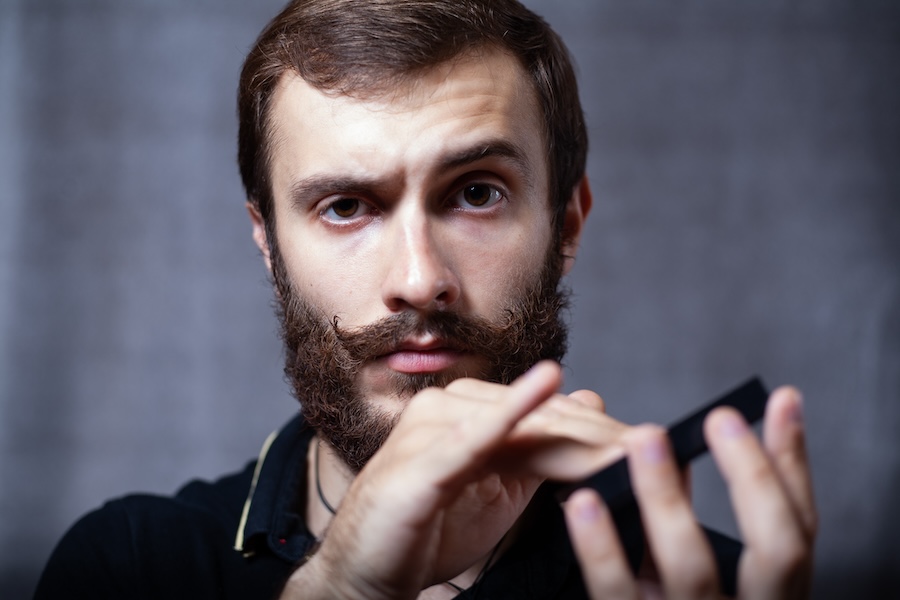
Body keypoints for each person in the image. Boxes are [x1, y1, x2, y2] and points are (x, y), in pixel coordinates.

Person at [35, 1, 817, 598]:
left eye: (476, 193)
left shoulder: (710, 588)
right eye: (346, 206)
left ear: (567, 225)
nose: (418, 279)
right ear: (268, 243)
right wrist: (341, 589)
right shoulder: (129, 567)